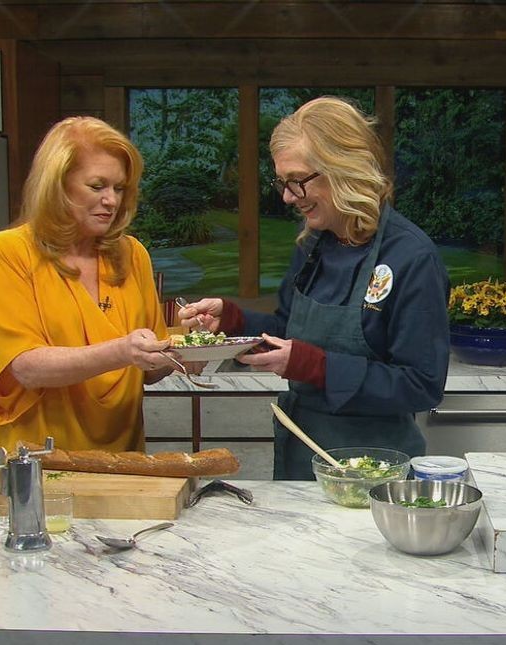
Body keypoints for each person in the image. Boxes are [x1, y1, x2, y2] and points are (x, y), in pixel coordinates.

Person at [179, 97, 450, 479]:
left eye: (297, 180)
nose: (287, 196)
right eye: (282, 182)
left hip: (373, 470)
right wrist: (234, 320)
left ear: (344, 168)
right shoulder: (312, 244)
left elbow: (421, 385)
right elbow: (288, 331)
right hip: (302, 455)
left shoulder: (411, 257)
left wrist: (317, 366)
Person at [0, 116, 183, 456]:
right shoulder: (8, 252)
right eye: (97, 187)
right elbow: (24, 367)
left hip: (124, 462)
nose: (111, 200)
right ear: (57, 186)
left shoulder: (132, 255)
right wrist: (122, 351)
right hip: (36, 462)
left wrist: (189, 352)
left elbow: (148, 370)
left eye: (119, 188)